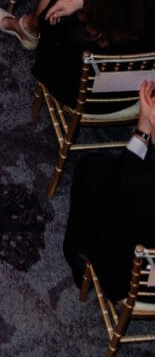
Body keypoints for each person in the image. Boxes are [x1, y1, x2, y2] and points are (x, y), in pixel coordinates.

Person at [0, 0, 155, 106]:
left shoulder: (71, 32)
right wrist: (81, 1)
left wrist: (76, 3)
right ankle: (26, 26)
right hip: (135, 94)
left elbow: (45, 65)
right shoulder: (149, 7)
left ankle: (27, 29)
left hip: (80, 99)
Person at [63, 79, 155, 301]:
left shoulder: (136, 181)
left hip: (136, 283)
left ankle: (78, 253)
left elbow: (127, 178)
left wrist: (145, 127)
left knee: (91, 171)